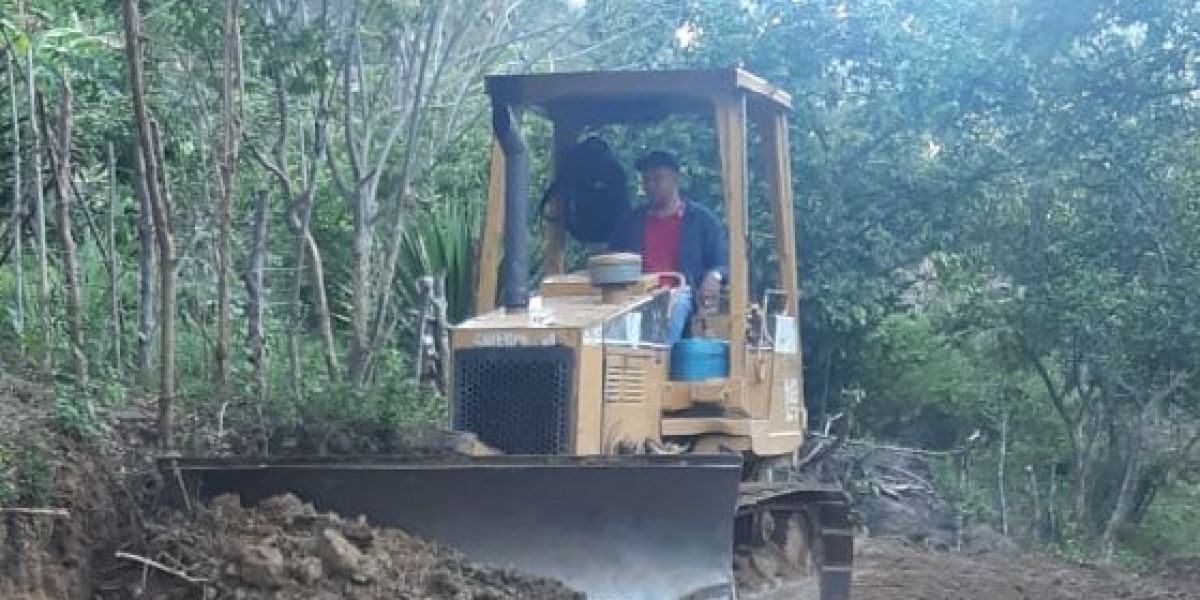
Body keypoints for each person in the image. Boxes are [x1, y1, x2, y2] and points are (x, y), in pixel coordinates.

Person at [608, 151, 728, 343]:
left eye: (657, 179)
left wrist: (714, 276)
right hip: (635, 295)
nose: (651, 186)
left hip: (679, 293)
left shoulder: (702, 221)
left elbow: (722, 262)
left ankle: (657, 362)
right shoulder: (630, 222)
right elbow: (612, 258)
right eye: (646, 181)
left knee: (674, 304)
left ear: (675, 179)